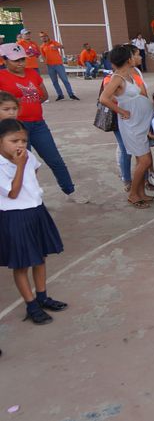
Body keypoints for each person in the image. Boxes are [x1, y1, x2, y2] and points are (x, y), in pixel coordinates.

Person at [0, 118, 66, 325]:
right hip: (14, 216)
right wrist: (20, 166)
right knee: (22, 264)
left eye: (23, 140)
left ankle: (42, 296)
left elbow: (35, 170)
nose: (20, 145)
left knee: (40, 258)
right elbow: (13, 192)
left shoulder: (28, 156)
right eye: (14, 141)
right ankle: (31, 305)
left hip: (36, 210)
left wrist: (33, 191)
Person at [0, 43, 85, 203]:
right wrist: (15, 107)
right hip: (14, 129)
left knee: (55, 160)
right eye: (15, 60)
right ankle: (26, 198)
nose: (20, 63)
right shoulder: (1, 76)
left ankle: (70, 190)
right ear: (5, 60)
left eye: (22, 59)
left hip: (38, 124)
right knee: (22, 164)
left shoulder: (32, 73)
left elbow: (44, 95)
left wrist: (28, 101)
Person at [99, 45, 154, 208]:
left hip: (139, 123)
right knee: (144, 161)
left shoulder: (129, 75)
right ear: (128, 59)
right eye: (134, 55)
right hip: (132, 126)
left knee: (142, 160)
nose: (137, 57)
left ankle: (141, 193)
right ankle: (133, 194)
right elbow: (104, 98)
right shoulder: (117, 78)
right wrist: (121, 111)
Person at [39, 32, 79, 101]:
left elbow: (62, 46)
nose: (44, 37)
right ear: (41, 38)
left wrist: (57, 47)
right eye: (42, 37)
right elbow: (43, 56)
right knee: (54, 81)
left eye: (45, 36)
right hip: (50, 66)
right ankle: (60, 95)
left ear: (48, 37)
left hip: (58, 64)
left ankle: (71, 94)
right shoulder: (42, 47)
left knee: (65, 80)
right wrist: (44, 62)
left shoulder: (53, 42)